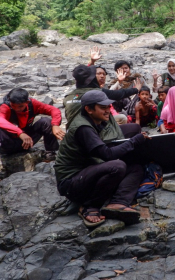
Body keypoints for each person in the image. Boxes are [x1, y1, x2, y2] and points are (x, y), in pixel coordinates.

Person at [55, 90, 149, 227]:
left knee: (135, 168)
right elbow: (107, 155)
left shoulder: (97, 122)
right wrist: (134, 142)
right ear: (89, 109)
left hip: (88, 171)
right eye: (102, 108)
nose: (107, 111)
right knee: (118, 166)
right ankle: (90, 206)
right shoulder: (83, 128)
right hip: (71, 182)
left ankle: (118, 202)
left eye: (108, 107)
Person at [0, 88, 65, 182]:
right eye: (13, 105)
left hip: (27, 142)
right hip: (8, 144)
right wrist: (20, 133)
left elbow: (54, 110)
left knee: (46, 122)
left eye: (20, 106)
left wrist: (55, 125)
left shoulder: (33, 104)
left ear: (27, 102)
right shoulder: (5, 107)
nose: (16, 109)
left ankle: (50, 154)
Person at [64, 65, 142, 138]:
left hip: (71, 133)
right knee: (135, 128)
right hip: (93, 135)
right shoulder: (96, 93)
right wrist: (136, 89)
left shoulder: (68, 97)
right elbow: (119, 94)